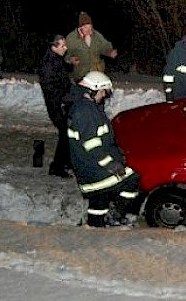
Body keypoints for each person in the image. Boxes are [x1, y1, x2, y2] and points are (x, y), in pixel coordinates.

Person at [67, 71, 140, 228]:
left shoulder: (86, 107)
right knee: (131, 180)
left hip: (88, 167)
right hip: (94, 168)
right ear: (94, 90)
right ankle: (113, 216)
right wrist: (112, 165)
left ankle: (95, 225)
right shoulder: (85, 111)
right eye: (103, 92)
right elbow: (93, 146)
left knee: (99, 201)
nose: (103, 96)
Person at [36, 34, 74, 178]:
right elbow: (51, 87)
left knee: (68, 133)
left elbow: (62, 77)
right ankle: (57, 166)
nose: (66, 48)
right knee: (65, 134)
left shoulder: (55, 59)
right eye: (62, 46)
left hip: (62, 103)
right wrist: (65, 98)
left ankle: (65, 161)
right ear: (54, 47)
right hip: (57, 105)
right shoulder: (48, 64)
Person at [65, 12, 117, 82]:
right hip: (81, 75)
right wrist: (70, 59)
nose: (89, 30)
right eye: (86, 27)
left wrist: (109, 52)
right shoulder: (71, 38)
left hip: (97, 73)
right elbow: (65, 54)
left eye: (90, 27)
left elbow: (104, 46)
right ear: (80, 27)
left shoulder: (96, 35)